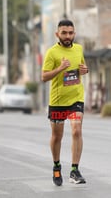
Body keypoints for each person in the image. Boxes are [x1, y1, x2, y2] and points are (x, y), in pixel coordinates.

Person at [41, 19, 89, 186]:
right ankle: (56, 165)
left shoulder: (79, 49)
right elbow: (44, 77)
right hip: (58, 100)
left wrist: (85, 70)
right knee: (57, 136)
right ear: (57, 34)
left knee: (76, 131)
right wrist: (60, 68)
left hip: (76, 98)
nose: (67, 36)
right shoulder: (52, 53)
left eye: (70, 33)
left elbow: (83, 67)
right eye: (64, 33)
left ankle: (74, 170)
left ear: (74, 34)